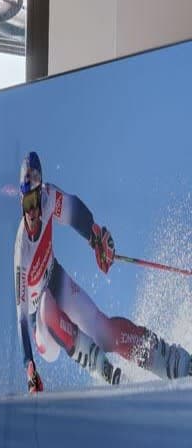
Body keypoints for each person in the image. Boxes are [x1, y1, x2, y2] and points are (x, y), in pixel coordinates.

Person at [16, 151, 192, 392]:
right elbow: (22, 318)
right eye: (27, 204)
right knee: (46, 304)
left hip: (57, 280)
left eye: (35, 201)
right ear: (21, 201)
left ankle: (174, 362)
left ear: (40, 193)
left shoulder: (48, 197)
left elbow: (73, 211)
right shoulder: (22, 249)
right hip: (42, 326)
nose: (33, 211)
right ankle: (103, 369)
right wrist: (29, 367)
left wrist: (95, 236)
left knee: (104, 330)